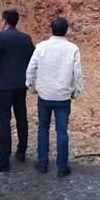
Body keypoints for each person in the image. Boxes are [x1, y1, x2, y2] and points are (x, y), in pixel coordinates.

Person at [25, 17, 83, 177]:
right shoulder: (73, 49)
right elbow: (77, 73)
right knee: (62, 131)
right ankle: (62, 167)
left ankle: (42, 163)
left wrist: (31, 87)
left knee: (43, 128)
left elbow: (31, 68)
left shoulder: (41, 46)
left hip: (44, 96)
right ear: (67, 30)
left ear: (51, 28)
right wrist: (76, 91)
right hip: (63, 97)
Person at [0, 9, 35, 172]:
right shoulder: (25, 38)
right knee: (21, 117)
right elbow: (33, 57)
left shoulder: (0, 37)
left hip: (3, 86)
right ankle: (21, 151)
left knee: (3, 121)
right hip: (20, 84)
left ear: (4, 21)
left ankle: (3, 159)